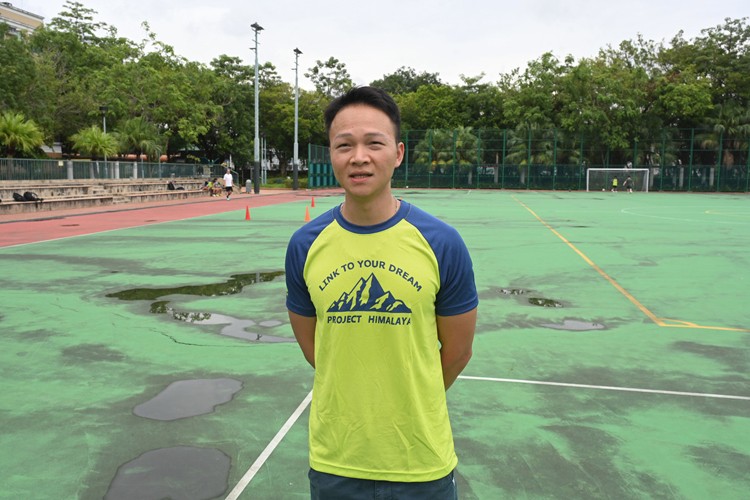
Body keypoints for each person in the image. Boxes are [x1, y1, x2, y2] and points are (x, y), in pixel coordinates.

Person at [285, 86, 478, 499]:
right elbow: (315, 349)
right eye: (344, 145)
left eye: (374, 143)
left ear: (398, 153)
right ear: (331, 155)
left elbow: (459, 351)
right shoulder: (305, 244)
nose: (359, 157)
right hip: (336, 461)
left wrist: (408, 400)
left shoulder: (442, 242)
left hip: (421, 463)